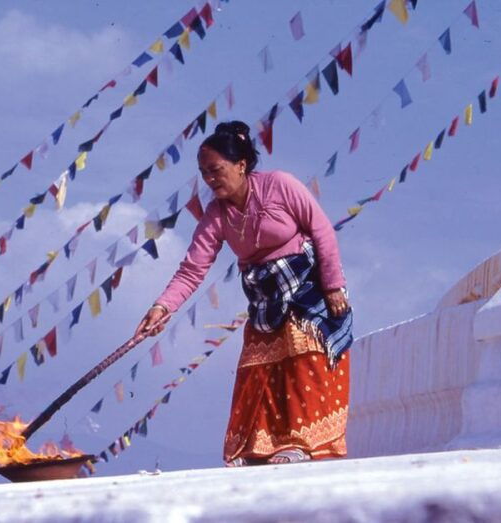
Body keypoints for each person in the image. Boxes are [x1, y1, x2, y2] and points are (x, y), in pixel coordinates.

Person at [135, 121, 353, 465]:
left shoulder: (280, 185)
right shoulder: (216, 215)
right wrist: (162, 307)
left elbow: (322, 231)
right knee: (258, 367)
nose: (210, 179)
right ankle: (259, 447)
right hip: (265, 299)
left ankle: (303, 442)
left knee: (301, 352)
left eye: (216, 170)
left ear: (241, 164)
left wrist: (333, 286)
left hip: (309, 293)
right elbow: (193, 269)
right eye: (204, 172)